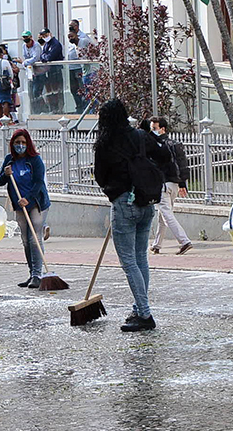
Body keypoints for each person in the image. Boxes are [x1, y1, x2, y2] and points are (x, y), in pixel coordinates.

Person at [93, 99, 171, 332]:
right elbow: (164, 155)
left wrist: (114, 192)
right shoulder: (139, 136)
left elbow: (99, 175)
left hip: (124, 204)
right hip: (146, 202)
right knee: (140, 258)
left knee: (129, 261)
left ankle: (145, 314)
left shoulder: (106, 143)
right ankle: (139, 308)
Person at [0, 129, 51, 288]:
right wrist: (6, 174)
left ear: (28, 144)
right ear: (12, 144)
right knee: (26, 241)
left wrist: (28, 198)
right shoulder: (9, 160)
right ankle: (31, 273)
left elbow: (39, 182)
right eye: (17, 143)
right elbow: (0, 181)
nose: (20, 145)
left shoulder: (34, 160)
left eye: (23, 143)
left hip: (36, 203)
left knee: (34, 238)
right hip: (19, 206)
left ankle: (37, 274)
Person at [148, 117, 192, 256]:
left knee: (167, 215)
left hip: (163, 185)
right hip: (172, 185)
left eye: (154, 128)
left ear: (163, 129)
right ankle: (156, 245)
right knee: (163, 215)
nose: (152, 131)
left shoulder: (157, 146)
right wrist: (182, 183)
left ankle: (184, 241)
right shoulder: (174, 144)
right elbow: (181, 164)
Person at [18, 31, 45, 114]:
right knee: (31, 92)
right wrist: (27, 62)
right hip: (30, 71)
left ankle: (42, 108)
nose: (25, 39)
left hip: (39, 71)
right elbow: (26, 57)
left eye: (26, 37)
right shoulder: (24, 46)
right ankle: (35, 109)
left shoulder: (36, 45)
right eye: (24, 37)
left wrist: (25, 62)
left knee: (36, 91)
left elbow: (36, 58)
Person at [39, 29, 65, 113]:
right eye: (43, 36)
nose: (45, 37)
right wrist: (44, 57)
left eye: (46, 35)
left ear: (50, 33)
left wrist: (45, 57)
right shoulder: (47, 44)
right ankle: (52, 107)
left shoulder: (55, 44)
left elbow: (50, 57)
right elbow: (42, 55)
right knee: (50, 91)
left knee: (56, 90)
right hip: (49, 70)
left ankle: (58, 108)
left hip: (56, 70)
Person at [0, 47, 15, 126]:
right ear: (1, 54)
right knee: (6, 101)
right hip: (4, 82)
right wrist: (11, 79)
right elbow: (10, 73)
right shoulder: (5, 62)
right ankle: (6, 119)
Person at [66, 30, 86, 114]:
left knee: (81, 88)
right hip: (71, 68)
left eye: (72, 36)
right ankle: (79, 107)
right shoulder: (71, 44)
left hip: (79, 68)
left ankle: (84, 108)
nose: (70, 38)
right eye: (69, 37)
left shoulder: (83, 40)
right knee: (73, 89)